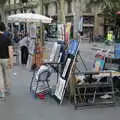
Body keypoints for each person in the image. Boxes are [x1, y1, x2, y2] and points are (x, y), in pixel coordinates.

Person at [0, 22, 13, 98]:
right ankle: (7, 88)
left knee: (0, 76)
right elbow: (10, 50)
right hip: (6, 59)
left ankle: (2, 92)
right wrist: (11, 61)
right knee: (7, 74)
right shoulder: (7, 38)